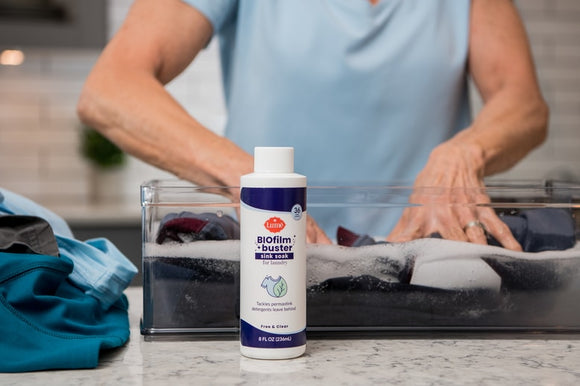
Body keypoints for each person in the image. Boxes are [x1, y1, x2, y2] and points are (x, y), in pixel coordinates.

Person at [77, 0, 548, 249]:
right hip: (272, 260)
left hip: (424, 267)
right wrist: (255, 182)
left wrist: (466, 151)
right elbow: (111, 88)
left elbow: (523, 102)